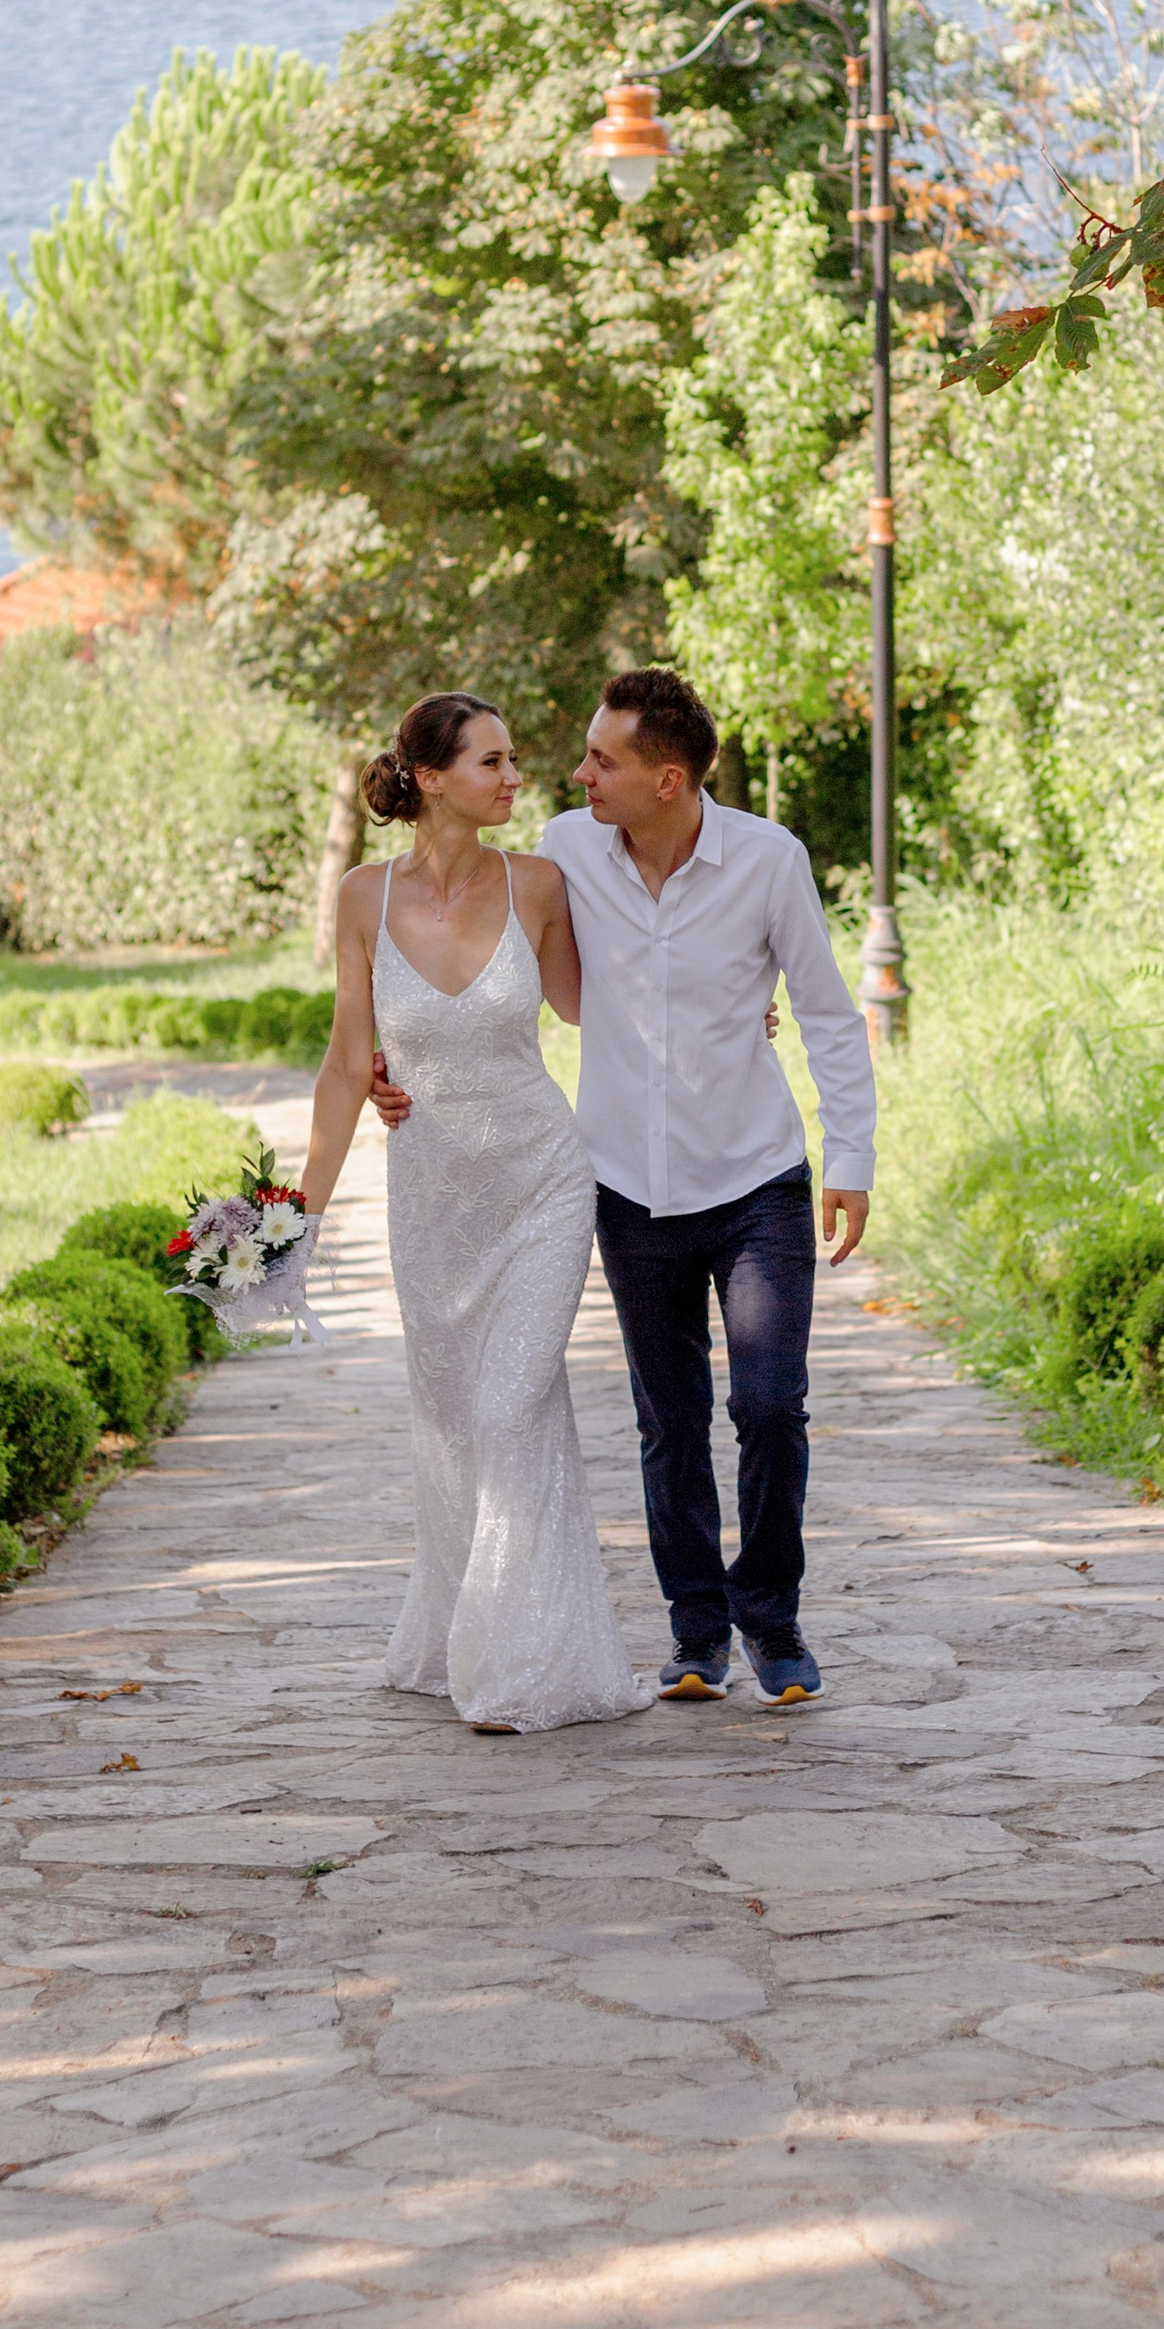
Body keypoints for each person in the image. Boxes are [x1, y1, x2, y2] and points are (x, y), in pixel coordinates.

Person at [378, 665, 875, 1708]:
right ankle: (697, 1635)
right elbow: (467, 927)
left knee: (772, 1407)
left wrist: (851, 1159)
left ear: (669, 779)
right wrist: (395, 1064)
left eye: (603, 758)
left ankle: (772, 1626)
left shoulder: (768, 862)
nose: (578, 772)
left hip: (756, 1180)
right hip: (625, 1188)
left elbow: (826, 1012)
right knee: (669, 1417)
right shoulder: (562, 852)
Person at [295, 689, 649, 1735]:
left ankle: (521, 1663)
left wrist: (725, 1000)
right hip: (433, 1196)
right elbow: (346, 1062)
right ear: (432, 779)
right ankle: (458, 1631)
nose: (513, 778)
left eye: (511, 760)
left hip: (541, 1181)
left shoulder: (537, 883)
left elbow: (599, 1005)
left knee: (509, 1407)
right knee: (454, 1421)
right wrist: (292, 1219)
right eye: (491, 763)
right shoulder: (362, 899)